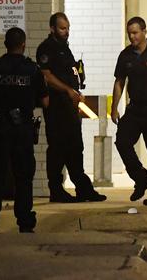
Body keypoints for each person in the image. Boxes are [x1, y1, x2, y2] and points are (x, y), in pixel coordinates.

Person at [0, 27, 49, 233]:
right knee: (24, 177)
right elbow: (45, 101)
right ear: (23, 45)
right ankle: (25, 221)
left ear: (6, 44)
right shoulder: (33, 70)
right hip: (23, 130)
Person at [36, 12, 106, 202]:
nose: (66, 32)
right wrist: (68, 90)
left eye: (67, 28)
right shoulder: (47, 48)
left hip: (70, 107)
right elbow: (46, 75)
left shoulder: (64, 48)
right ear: (52, 28)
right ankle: (56, 190)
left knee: (75, 147)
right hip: (57, 108)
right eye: (62, 28)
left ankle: (83, 188)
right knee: (58, 148)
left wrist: (76, 92)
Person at [111, 17, 147, 206]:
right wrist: (114, 108)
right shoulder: (125, 55)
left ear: (145, 31)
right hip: (135, 108)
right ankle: (141, 178)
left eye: (135, 33)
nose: (132, 37)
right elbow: (120, 81)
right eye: (129, 33)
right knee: (122, 142)